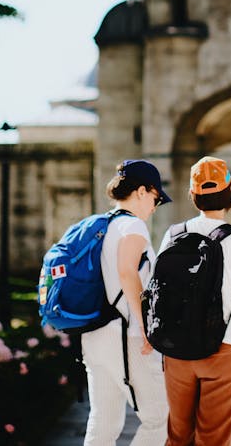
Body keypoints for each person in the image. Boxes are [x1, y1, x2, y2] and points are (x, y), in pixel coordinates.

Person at [159, 155, 231, 446]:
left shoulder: (172, 236)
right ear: (230, 193)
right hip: (225, 349)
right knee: (215, 439)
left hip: (176, 350)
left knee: (178, 435)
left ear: (193, 196)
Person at [82, 159, 171, 446]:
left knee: (103, 423)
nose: (155, 207)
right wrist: (144, 324)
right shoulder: (133, 226)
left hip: (94, 335)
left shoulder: (100, 225)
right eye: (156, 198)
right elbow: (126, 270)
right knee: (161, 418)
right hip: (128, 336)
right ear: (143, 191)